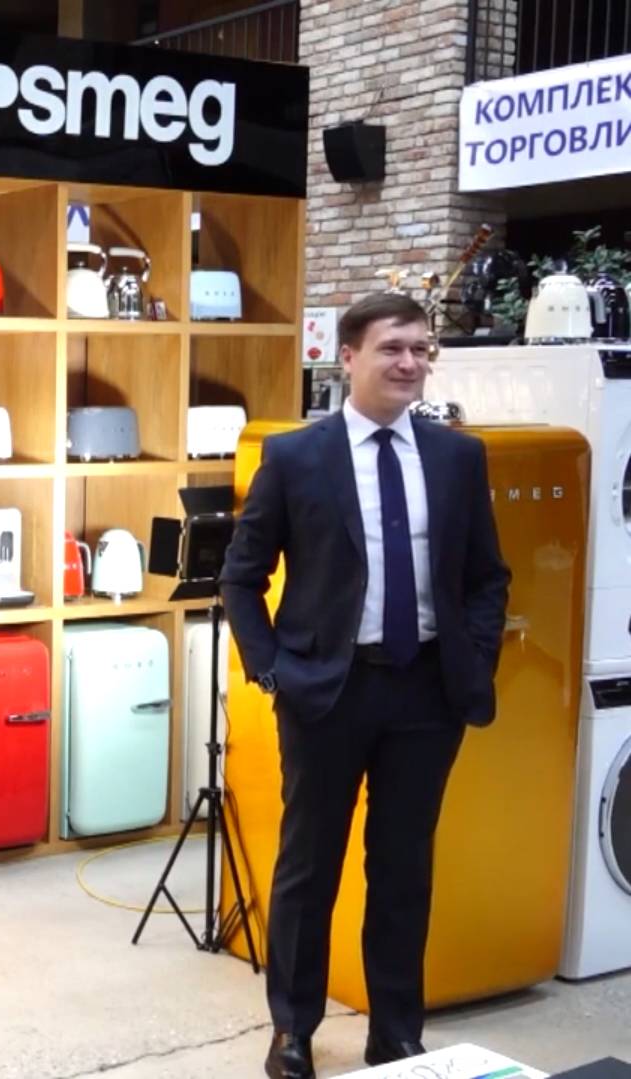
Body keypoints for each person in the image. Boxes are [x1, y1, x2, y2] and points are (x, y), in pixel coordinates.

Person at [220, 293, 511, 1079]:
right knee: (307, 865)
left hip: (426, 693)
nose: (409, 362)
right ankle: (292, 1031)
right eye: (391, 348)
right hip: (326, 691)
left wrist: (472, 659)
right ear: (346, 356)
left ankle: (395, 1035)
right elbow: (241, 577)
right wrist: (271, 669)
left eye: (420, 348)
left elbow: (486, 575)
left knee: (402, 869)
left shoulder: (456, 457)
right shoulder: (294, 457)